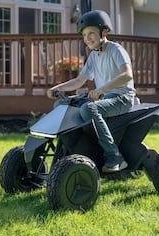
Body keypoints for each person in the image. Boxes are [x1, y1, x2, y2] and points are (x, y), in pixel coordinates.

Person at [46, 10, 135, 173]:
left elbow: (127, 75)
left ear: (104, 32)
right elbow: (80, 80)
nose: (87, 38)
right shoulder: (94, 56)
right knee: (61, 104)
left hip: (123, 97)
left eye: (91, 33)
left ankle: (114, 156)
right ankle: (70, 151)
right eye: (84, 35)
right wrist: (58, 88)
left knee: (88, 108)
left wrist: (101, 88)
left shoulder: (116, 50)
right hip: (104, 97)